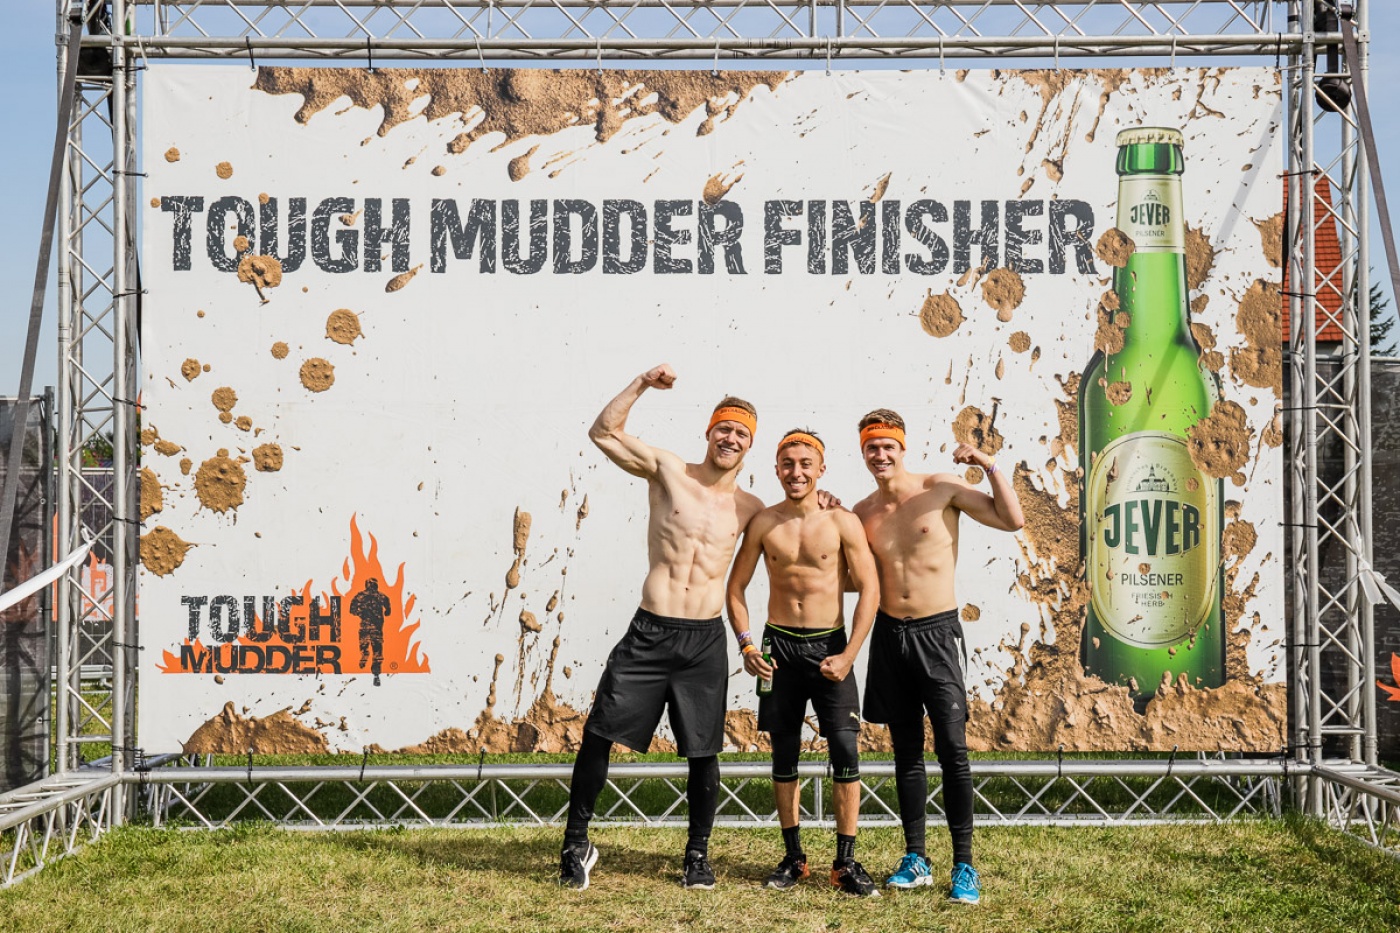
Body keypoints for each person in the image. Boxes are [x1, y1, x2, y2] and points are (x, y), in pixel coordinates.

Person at [559, 364, 765, 891]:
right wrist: (642, 384)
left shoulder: (751, 508)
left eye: (741, 433)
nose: (731, 438)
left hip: (704, 641)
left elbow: (799, 525)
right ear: (709, 432)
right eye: (724, 428)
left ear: (750, 446)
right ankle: (576, 844)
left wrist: (826, 501)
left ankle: (697, 855)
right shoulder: (669, 471)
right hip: (650, 631)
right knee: (599, 733)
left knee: (703, 751)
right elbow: (604, 433)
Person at [851, 409, 1024, 905]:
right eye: (871, 447)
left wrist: (988, 464)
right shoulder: (863, 512)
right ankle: (916, 858)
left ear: (902, 447)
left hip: (937, 633)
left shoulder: (941, 488)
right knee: (906, 752)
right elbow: (849, 574)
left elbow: (1012, 519)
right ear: (863, 452)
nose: (880, 454)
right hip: (890, 634)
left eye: (887, 445)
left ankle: (964, 865)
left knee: (952, 749)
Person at [726, 429, 881, 896]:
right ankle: (794, 857)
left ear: (821, 469)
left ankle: (845, 863)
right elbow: (735, 588)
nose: (796, 472)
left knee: (846, 749)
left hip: (829, 645)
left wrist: (850, 654)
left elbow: (870, 589)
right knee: (784, 751)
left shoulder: (843, 521)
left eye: (805, 464)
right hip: (778, 649)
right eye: (788, 463)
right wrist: (748, 646)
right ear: (776, 469)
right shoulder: (763, 522)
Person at [349, 577, 390, 686]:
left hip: (366, 626)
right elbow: (388, 609)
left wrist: (361, 612)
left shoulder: (360, 596)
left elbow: (352, 609)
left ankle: (365, 656)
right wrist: (385, 612)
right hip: (376, 627)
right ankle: (376, 673)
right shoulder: (381, 596)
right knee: (377, 649)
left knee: (365, 644)